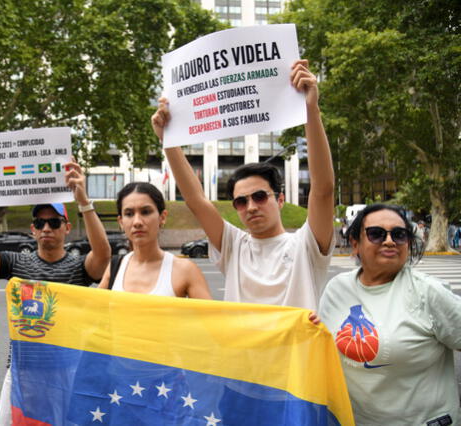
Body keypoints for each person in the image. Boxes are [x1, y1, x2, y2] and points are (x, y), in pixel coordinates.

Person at [151, 59, 333, 317]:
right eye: (240, 201)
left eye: (260, 196)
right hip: (245, 357)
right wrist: (169, 140)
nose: (251, 207)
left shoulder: (306, 245)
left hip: (296, 357)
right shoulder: (233, 245)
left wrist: (310, 110)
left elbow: (323, 189)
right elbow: (196, 200)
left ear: (280, 199)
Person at [0, 158, 111, 425]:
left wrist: (83, 200)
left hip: (67, 371)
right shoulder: (17, 263)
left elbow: (103, 255)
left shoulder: (78, 269)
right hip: (20, 371)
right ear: (32, 230)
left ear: (67, 227)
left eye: (54, 222)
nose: (47, 228)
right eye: (40, 223)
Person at [319, 204, 461, 425]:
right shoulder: (337, 289)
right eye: (376, 234)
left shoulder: (428, 292)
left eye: (399, 234)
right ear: (355, 244)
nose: (389, 241)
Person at [98, 182, 211, 299]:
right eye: (129, 214)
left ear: (162, 217)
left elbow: (211, 316)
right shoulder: (115, 267)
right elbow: (90, 310)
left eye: (145, 212)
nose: (137, 222)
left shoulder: (186, 270)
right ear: (121, 222)